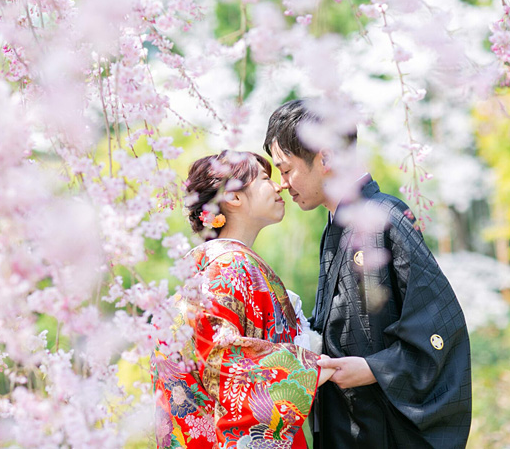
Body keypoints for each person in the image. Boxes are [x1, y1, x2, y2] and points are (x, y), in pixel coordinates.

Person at [263, 99, 472, 448]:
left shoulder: (384, 216)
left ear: (325, 158)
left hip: (383, 430)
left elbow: (440, 327)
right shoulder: (337, 226)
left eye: (286, 169)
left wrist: (376, 369)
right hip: (350, 425)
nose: (282, 183)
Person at [152, 150, 334, 449]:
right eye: (266, 179)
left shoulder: (222, 264)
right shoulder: (229, 265)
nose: (280, 186)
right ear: (234, 197)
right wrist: (308, 367)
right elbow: (222, 358)